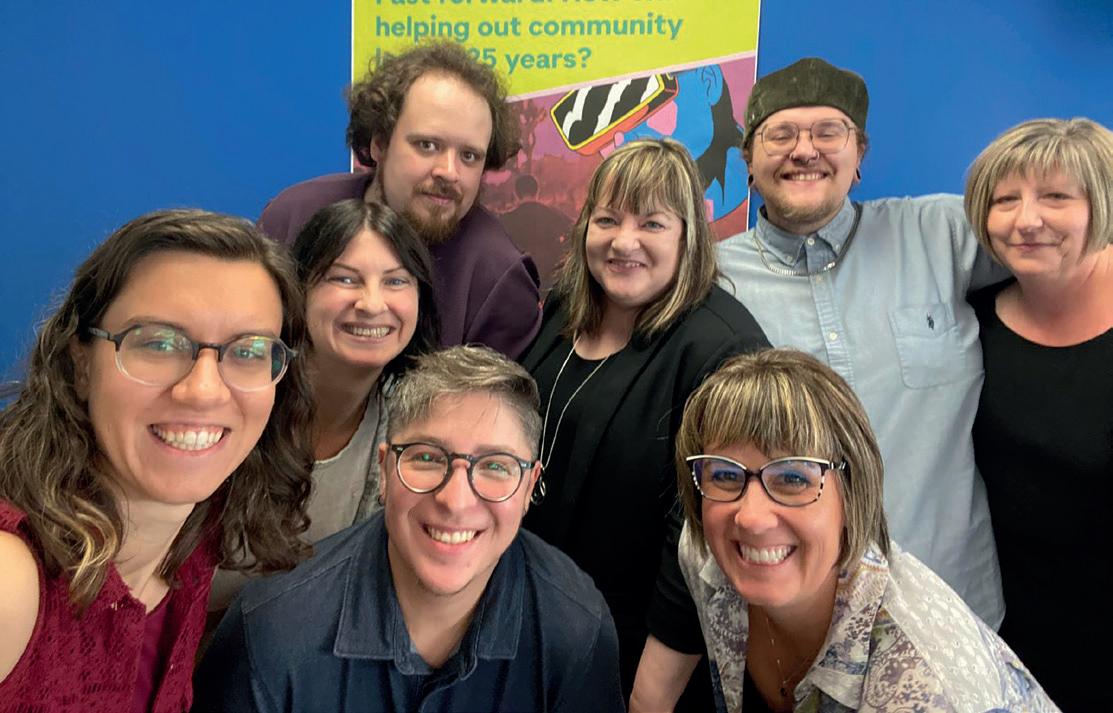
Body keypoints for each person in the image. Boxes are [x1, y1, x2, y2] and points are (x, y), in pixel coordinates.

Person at [716, 57, 1006, 628]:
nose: (804, 150)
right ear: (748, 159)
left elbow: (1069, 245)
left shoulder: (943, 234)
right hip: (793, 617)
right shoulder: (711, 280)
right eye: (781, 134)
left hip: (955, 609)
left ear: (859, 156)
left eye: (829, 132)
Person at [0, 210, 314, 712]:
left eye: (249, 351)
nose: (204, 391)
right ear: (81, 364)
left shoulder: (195, 543)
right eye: (159, 343)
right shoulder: (11, 581)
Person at [194, 346, 624, 713]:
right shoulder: (272, 630)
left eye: (496, 466)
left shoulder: (575, 632)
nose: (455, 501)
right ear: (384, 471)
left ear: (529, 487)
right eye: (427, 457)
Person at [519, 137, 769, 709]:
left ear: (687, 236)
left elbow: (705, 540)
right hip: (542, 625)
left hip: (640, 660)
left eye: (652, 223)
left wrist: (650, 696)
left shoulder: (723, 349)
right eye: (607, 219)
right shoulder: (565, 308)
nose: (623, 241)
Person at [675, 349, 1057, 712]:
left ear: (853, 492)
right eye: (724, 475)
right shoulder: (705, 555)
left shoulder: (923, 689)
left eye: (792, 478)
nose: (751, 518)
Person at [208, 198, 439, 610]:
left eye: (395, 281)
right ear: (299, 289)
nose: (372, 304)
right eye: (344, 279)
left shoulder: (410, 422)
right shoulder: (235, 390)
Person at [258, 41, 541, 358]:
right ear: (379, 143)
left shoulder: (498, 275)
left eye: (469, 156)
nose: (449, 172)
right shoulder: (294, 217)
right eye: (427, 145)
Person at [964, 117, 1113, 711]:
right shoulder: (969, 320)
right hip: (1007, 634)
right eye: (1006, 200)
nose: (1027, 220)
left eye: (1056, 197)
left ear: (1100, 204)